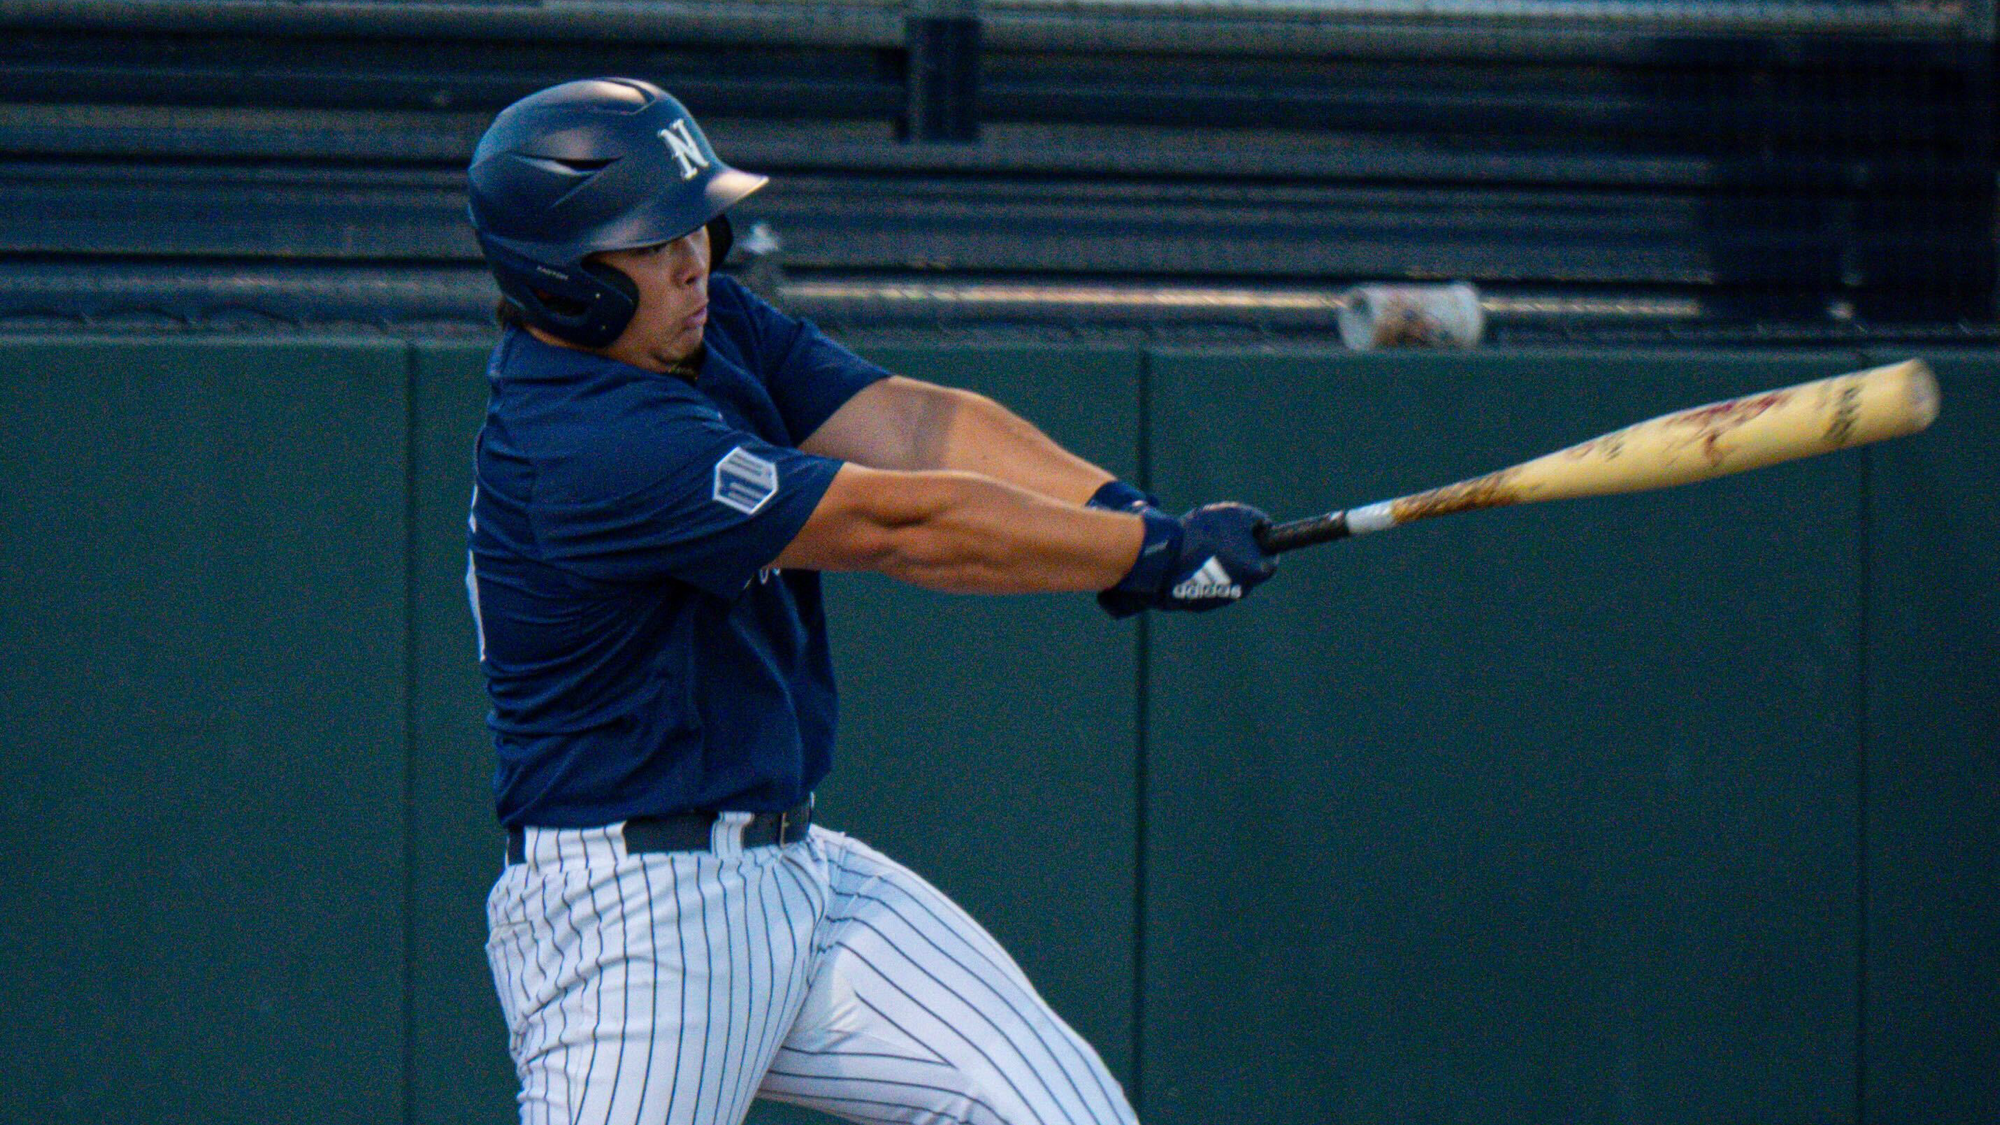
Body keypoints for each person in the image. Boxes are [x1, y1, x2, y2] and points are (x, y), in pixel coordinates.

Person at [463, 77, 1279, 1125]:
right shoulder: (588, 442)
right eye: (650, 240)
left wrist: (1129, 515)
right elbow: (904, 527)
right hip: (636, 916)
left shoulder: (703, 331)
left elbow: (910, 423)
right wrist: (1138, 557)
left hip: (798, 875)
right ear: (563, 279)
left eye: (696, 226)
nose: (691, 260)